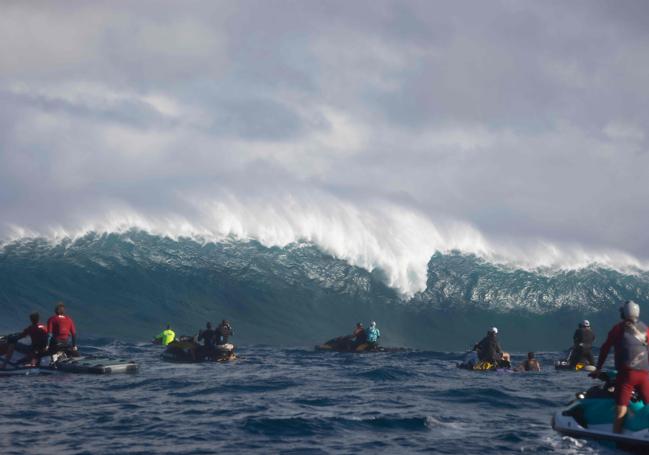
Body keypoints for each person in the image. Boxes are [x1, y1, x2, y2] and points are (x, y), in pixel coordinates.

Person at [590, 300, 649, 433]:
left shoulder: (618, 329)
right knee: (648, 404)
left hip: (627, 375)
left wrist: (598, 368)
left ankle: (616, 436)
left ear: (623, 313)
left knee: (621, 407)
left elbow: (605, 348)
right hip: (645, 374)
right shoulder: (646, 329)